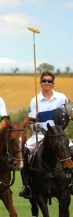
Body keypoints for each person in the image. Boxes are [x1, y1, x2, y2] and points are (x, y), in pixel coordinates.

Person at [19, 70, 73, 198]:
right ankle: (27, 186)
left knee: (72, 150)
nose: (46, 83)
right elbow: (30, 122)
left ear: (53, 84)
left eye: (49, 81)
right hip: (41, 135)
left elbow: (71, 116)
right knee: (24, 152)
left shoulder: (61, 97)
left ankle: (71, 183)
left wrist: (70, 113)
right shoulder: (35, 100)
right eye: (44, 81)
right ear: (41, 83)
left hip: (58, 136)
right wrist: (34, 126)